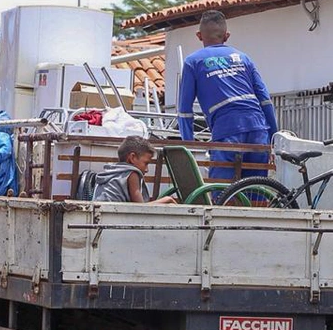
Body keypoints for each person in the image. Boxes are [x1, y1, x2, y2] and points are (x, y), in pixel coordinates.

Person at [177, 10, 278, 182]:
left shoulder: (192, 62)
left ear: (199, 36)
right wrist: (274, 138)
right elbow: (265, 100)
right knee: (255, 191)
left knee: (221, 191)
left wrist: (190, 147)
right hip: (259, 130)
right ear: (227, 36)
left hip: (227, 130)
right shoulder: (243, 58)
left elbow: (185, 111)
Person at [91, 136, 178, 204]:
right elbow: (140, 208)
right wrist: (167, 200)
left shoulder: (112, 171)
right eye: (146, 163)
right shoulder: (132, 174)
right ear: (132, 157)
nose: (147, 169)